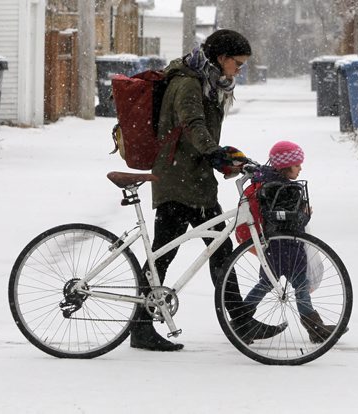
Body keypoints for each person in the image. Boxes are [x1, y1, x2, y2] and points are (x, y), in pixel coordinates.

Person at [130, 29, 285, 351]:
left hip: (193, 177)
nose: (239, 70)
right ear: (221, 58)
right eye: (238, 63)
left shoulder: (206, 81)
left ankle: (237, 319)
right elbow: (192, 124)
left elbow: (199, 129)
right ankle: (142, 326)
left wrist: (223, 154)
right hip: (178, 178)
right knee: (169, 252)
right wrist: (214, 152)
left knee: (215, 250)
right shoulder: (188, 82)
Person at [236, 141, 337, 344]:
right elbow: (293, 221)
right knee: (300, 288)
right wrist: (306, 214)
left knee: (265, 284)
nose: (300, 168)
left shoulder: (267, 185)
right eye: (297, 165)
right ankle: (314, 328)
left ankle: (240, 321)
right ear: (285, 166)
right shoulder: (287, 190)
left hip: (272, 248)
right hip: (291, 248)